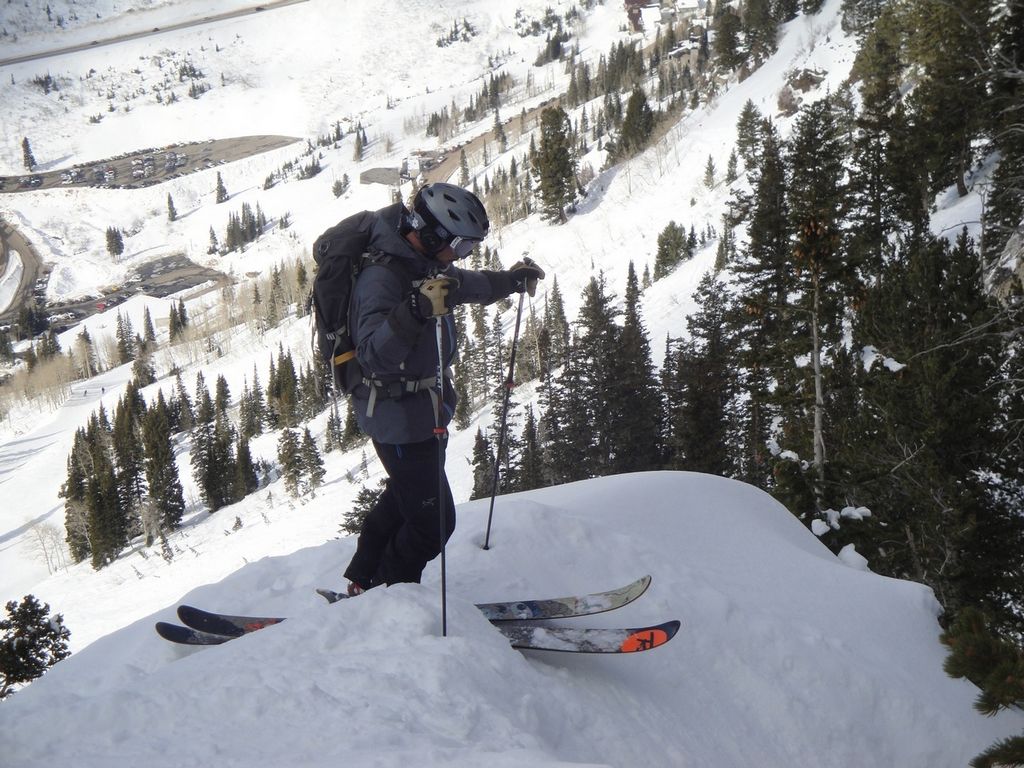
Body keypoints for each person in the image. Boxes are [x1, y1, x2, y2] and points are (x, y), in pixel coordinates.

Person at [336, 183, 545, 595]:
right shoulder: (382, 277)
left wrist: (510, 282)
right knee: (434, 524)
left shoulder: (419, 260)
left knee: (406, 496)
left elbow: (462, 285)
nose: (461, 255)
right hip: (398, 418)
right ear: (430, 235)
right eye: (462, 246)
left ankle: (364, 577)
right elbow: (373, 354)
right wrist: (413, 311)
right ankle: (389, 594)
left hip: (423, 410)